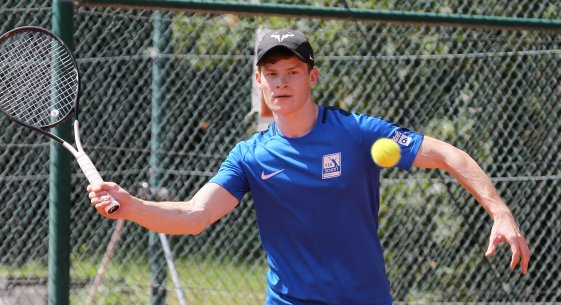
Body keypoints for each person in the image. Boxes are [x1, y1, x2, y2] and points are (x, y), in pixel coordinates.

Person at [88, 29, 531, 305]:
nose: (281, 82)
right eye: (272, 74)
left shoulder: (357, 133)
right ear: (259, 82)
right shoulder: (250, 156)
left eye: (293, 71)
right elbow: (195, 215)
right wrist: (130, 206)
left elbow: (448, 154)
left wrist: (500, 212)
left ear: (312, 76)